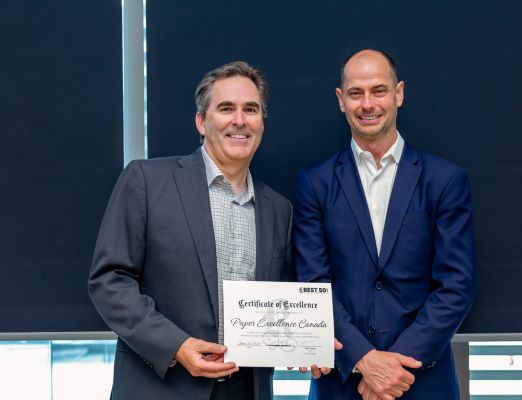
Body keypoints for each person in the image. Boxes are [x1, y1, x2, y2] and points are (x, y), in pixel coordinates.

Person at [88, 61, 295, 400]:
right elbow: (108, 282)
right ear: (202, 121)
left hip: (247, 390)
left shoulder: (279, 209)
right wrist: (177, 346)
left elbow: (280, 303)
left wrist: (303, 344)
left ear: (261, 122)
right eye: (226, 108)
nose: (240, 120)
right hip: (162, 386)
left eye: (251, 110)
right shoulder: (146, 181)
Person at [293, 49, 477, 400]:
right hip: (342, 381)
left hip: (422, 380)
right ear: (340, 100)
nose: (368, 104)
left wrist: (394, 367)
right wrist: (363, 359)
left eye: (378, 90)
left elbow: (457, 284)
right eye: (355, 93)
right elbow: (313, 284)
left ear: (399, 93)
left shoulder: (445, 180)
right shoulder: (314, 183)